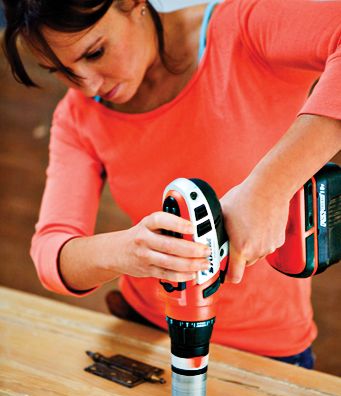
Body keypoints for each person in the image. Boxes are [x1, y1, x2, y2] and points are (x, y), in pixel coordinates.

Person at [3, 0, 341, 369]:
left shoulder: (243, 29)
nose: (87, 85)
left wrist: (268, 189)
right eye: (61, 72)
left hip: (266, 348)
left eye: (95, 52)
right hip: (144, 333)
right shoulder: (78, 116)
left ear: (130, 3)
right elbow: (53, 254)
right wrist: (129, 252)